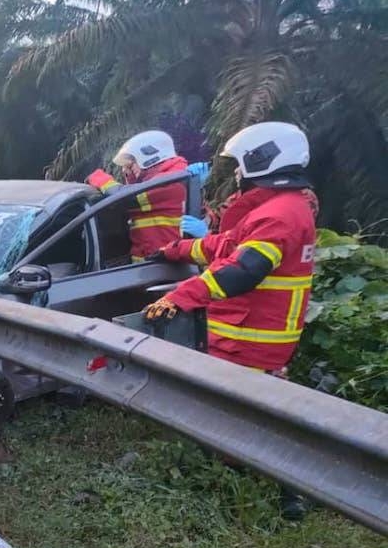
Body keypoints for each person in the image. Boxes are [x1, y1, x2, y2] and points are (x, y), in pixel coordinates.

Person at [143, 122, 317, 519]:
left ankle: (289, 489)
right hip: (249, 333)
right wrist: (176, 249)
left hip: (250, 336)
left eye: (239, 164)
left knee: (253, 412)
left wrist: (180, 296)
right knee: (248, 407)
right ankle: (241, 469)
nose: (236, 173)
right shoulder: (275, 208)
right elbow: (224, 246)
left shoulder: (280, 215)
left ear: (261, 160)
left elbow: (241, 271)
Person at [86, 130, 189, 261]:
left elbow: (124, 198)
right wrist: (133, 177)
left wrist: (99, 178)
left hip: (164, 267)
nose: (125, 170)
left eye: (131, 163)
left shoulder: (170, 182)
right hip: (150, 266)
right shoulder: (163, 179)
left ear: (149, 156)